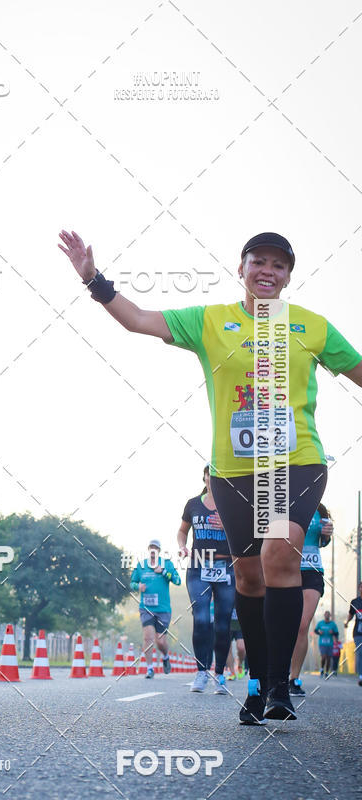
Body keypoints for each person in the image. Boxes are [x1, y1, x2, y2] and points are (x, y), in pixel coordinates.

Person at [58, 228, 362, 724]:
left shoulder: (312, 328)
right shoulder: (210, 321)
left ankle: (280, 686)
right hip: (233, 472)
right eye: (258, 262)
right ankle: (260, 679)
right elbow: (137, 320)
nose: (268, 271)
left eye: (278, 265)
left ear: (289, 275)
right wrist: (94, 279)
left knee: (278, 556)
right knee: (248, 575)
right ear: (240, 267)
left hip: (295, 461)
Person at [178, 465, 235, 695]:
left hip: (226, 567)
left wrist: (230, 526)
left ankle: (219, 674)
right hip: (198, 565)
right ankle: (201, 671)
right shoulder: (193, 503)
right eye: (210, 474)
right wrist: (182, 546)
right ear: (204, 477)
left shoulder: (232, 504)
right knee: (201, 619)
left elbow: (248, 533)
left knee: (222, 624)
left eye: (218, 475)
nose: (213, 478)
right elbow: (182, 531)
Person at [289, 504, 333, 696]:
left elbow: (323, 541)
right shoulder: (284, 504)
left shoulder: (320, 510)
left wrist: (327, 534)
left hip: (313, 572)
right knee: (286, 625)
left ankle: (294, 678)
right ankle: (278, 675)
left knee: (302, 625)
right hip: (287, 570)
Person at [130, 539, 181, 677]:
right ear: (148, 550)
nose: (153, 550)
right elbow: (132, 583)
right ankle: (150, 668)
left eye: (156, 548)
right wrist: (137, 587)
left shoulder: (167, 564)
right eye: (151, 547)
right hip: (146, 608)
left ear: (158, 551)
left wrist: (164, 572)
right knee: (147, 638)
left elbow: (178, 580)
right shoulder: (141, 565)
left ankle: (165, 657)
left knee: (160, 641)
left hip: (163, 609)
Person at [344, 581, 362, 685]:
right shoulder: (355, 602)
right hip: (358, 633)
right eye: (361, 587)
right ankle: (361, 676)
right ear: (359, 589)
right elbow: (351, 614)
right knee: (360, 653)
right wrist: (347, 622)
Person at [314, 611, 339, 677]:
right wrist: (319, 633)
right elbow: (315, 630)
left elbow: (336, 633)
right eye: (326, 614)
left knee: (329, 658)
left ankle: (327, 672)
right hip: (322, 643)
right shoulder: (320, 623)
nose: (327, 616)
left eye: (328, 615)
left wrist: (332, 632)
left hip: (330, 644)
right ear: (324, 615)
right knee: (323, 657)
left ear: (330, 616)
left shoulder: (333, 624)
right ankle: (322, 669)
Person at [228, 607, 247, 679]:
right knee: (227, 649)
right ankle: (232, 672)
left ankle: (240, 664)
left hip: (240, 625)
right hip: (228, 625)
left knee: (241, 648)